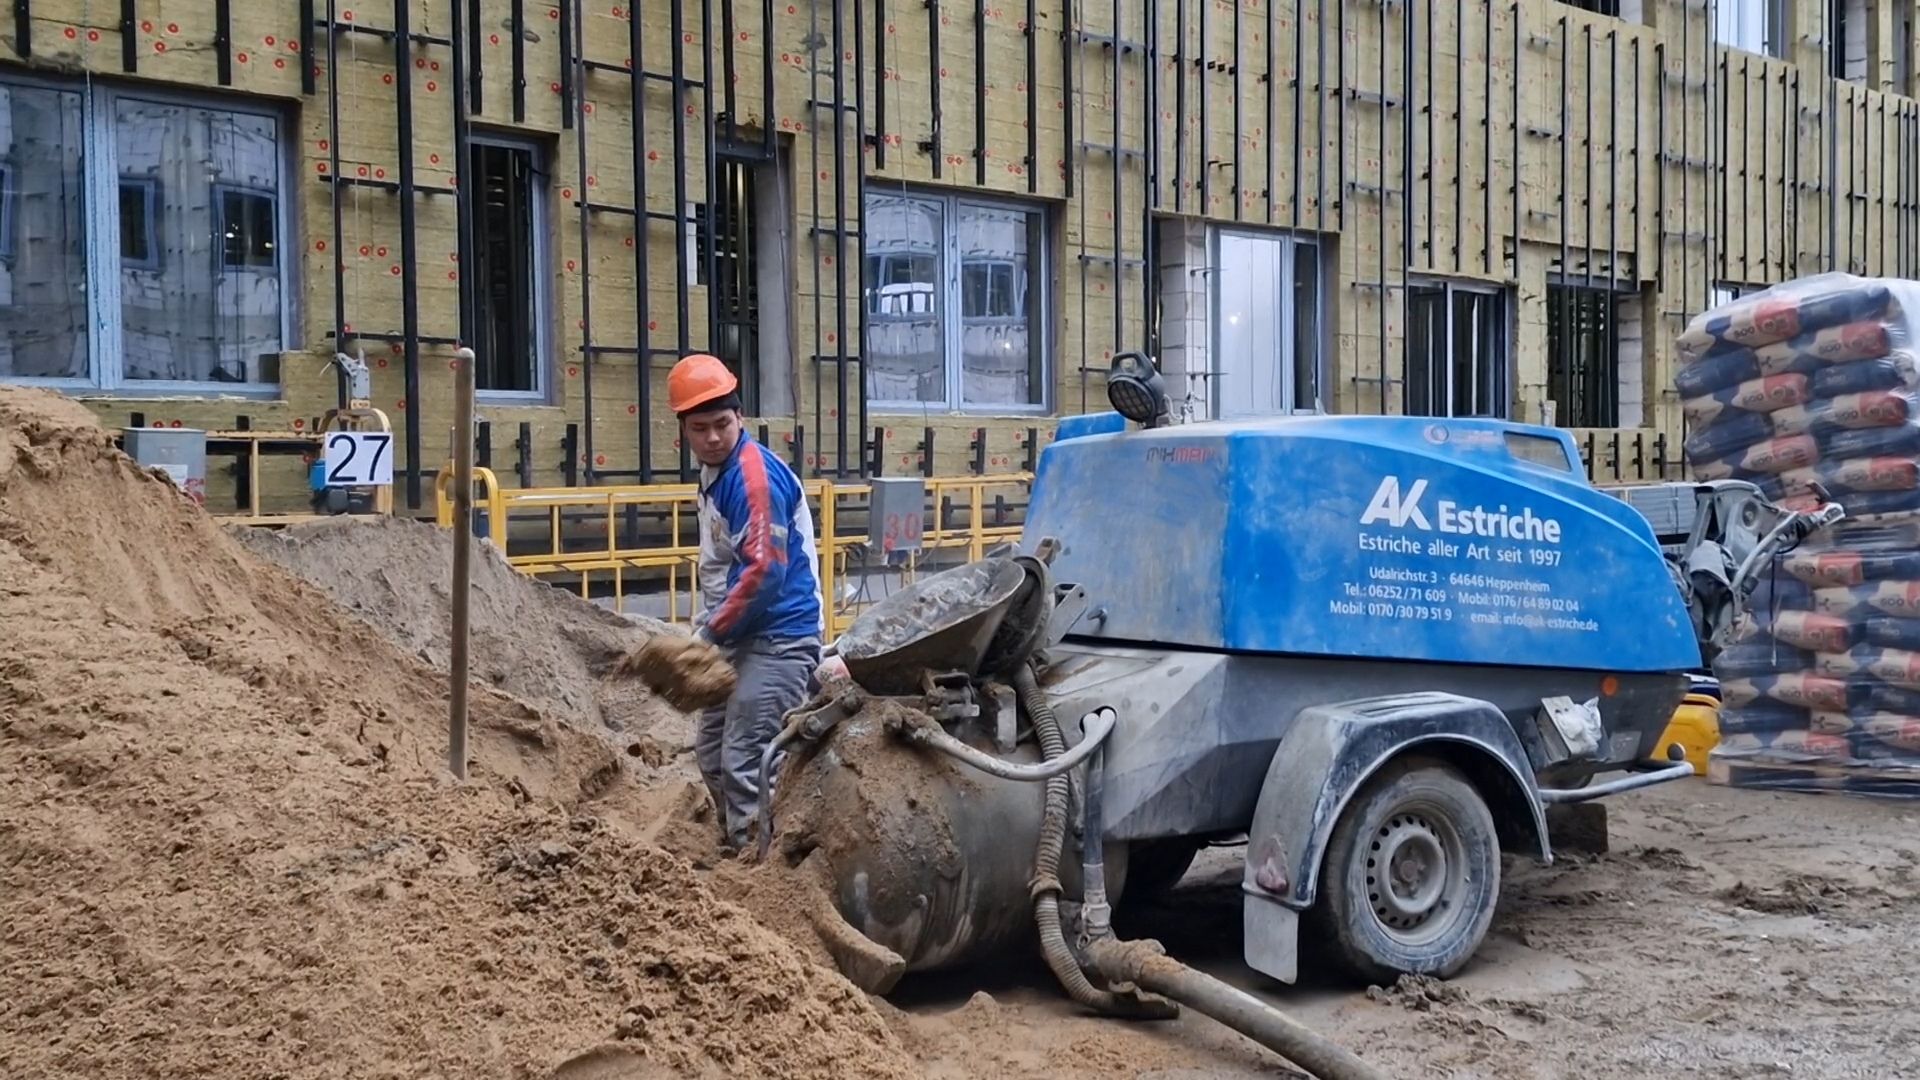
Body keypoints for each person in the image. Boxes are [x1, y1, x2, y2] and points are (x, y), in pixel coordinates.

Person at [670, 353, 824, 850]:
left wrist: (709, 634)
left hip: (780, 637)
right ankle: (739, 844)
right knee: (713, 752)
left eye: (722, 424)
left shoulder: (752, 478)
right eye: (701, 428)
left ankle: (765, 867)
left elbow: (764, 571)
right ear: (684, 431)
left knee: (747, 755)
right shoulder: (717, 473)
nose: (713, 436)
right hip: (741, 636)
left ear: (741, 419)